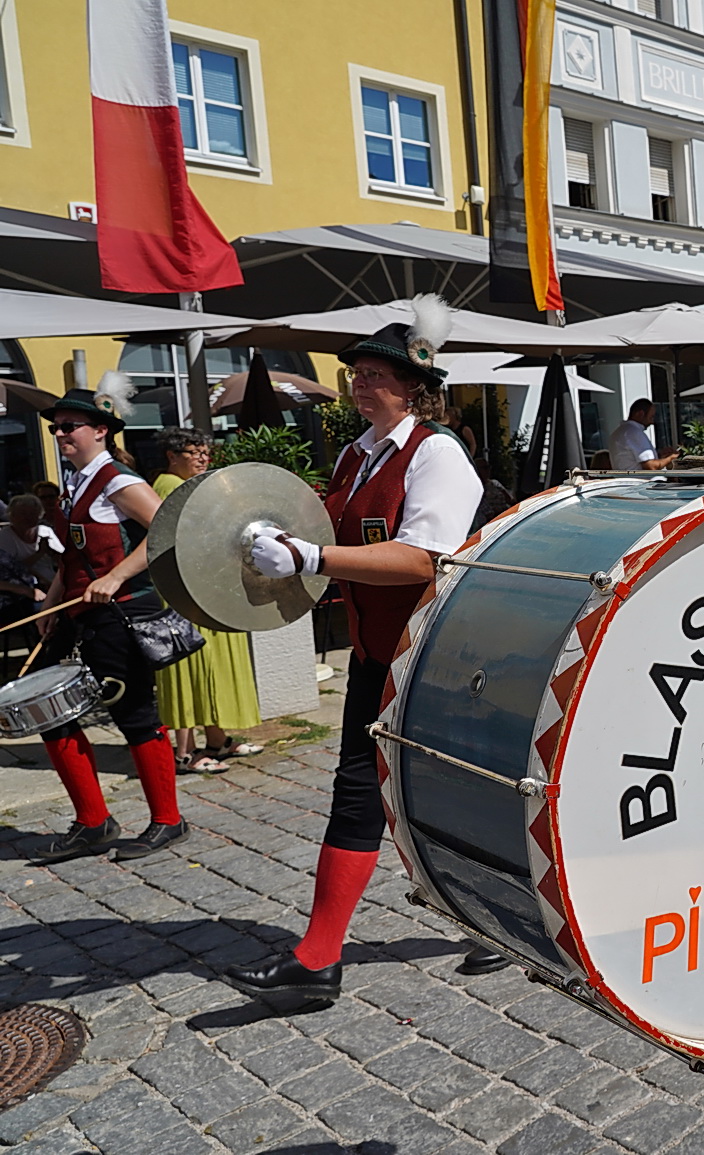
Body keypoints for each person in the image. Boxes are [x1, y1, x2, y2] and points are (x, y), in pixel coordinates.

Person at [226, 297, 490, 1005]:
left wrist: (312, 556)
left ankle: (496, 919)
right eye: (357, 373)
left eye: (376, 374)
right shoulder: (356, 453)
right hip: (378, 655)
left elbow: (425, 558)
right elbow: (330, 526)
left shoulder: (435, 452)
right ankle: (317, 959)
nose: (360, 383)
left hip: (434, 656)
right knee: (358, 789)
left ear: (413, 387)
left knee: (454, 790)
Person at [34, 374, 186, 862]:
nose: (60, 434)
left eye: (69, 426)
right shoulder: (74, 484)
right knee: (47, 710)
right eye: (56, 427)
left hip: (121, 613)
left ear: (101, 430)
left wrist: (117, 576)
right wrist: (51, 602)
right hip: (77, 612)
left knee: (133, 713)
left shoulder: (118, 480)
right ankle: (92, 820)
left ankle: (168, 820)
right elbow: (72, 557)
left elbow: (168, 530)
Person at [151, 428, 263, 772]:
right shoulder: (168, 486)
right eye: (194, 452)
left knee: (206, 666)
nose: (203, 458)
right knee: (187, 669)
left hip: (198, 588)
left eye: (205, 451)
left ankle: (217, 740)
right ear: (172, 456)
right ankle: (185, 752)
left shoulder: (184, 484)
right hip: (182, 592)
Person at [0, 494, 61, 622]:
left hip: (54, 583)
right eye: (23, 513)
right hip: (25, 592)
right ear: (12, 515)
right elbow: (15, 569)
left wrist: (53, 553)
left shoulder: (45, 531)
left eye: (33, 513)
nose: (28, 517)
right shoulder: (5, 537)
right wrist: (40, 553)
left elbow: (62, 559)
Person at [607, 398, 680, 471]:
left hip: (626, 476)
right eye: (651, 417)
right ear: (640, 414)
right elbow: (651, 467)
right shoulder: (634, 433)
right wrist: (672, 457)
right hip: (639, 478)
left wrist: (659, 455)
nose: (652, 422)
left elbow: (633, 459)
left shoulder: (620, 431)